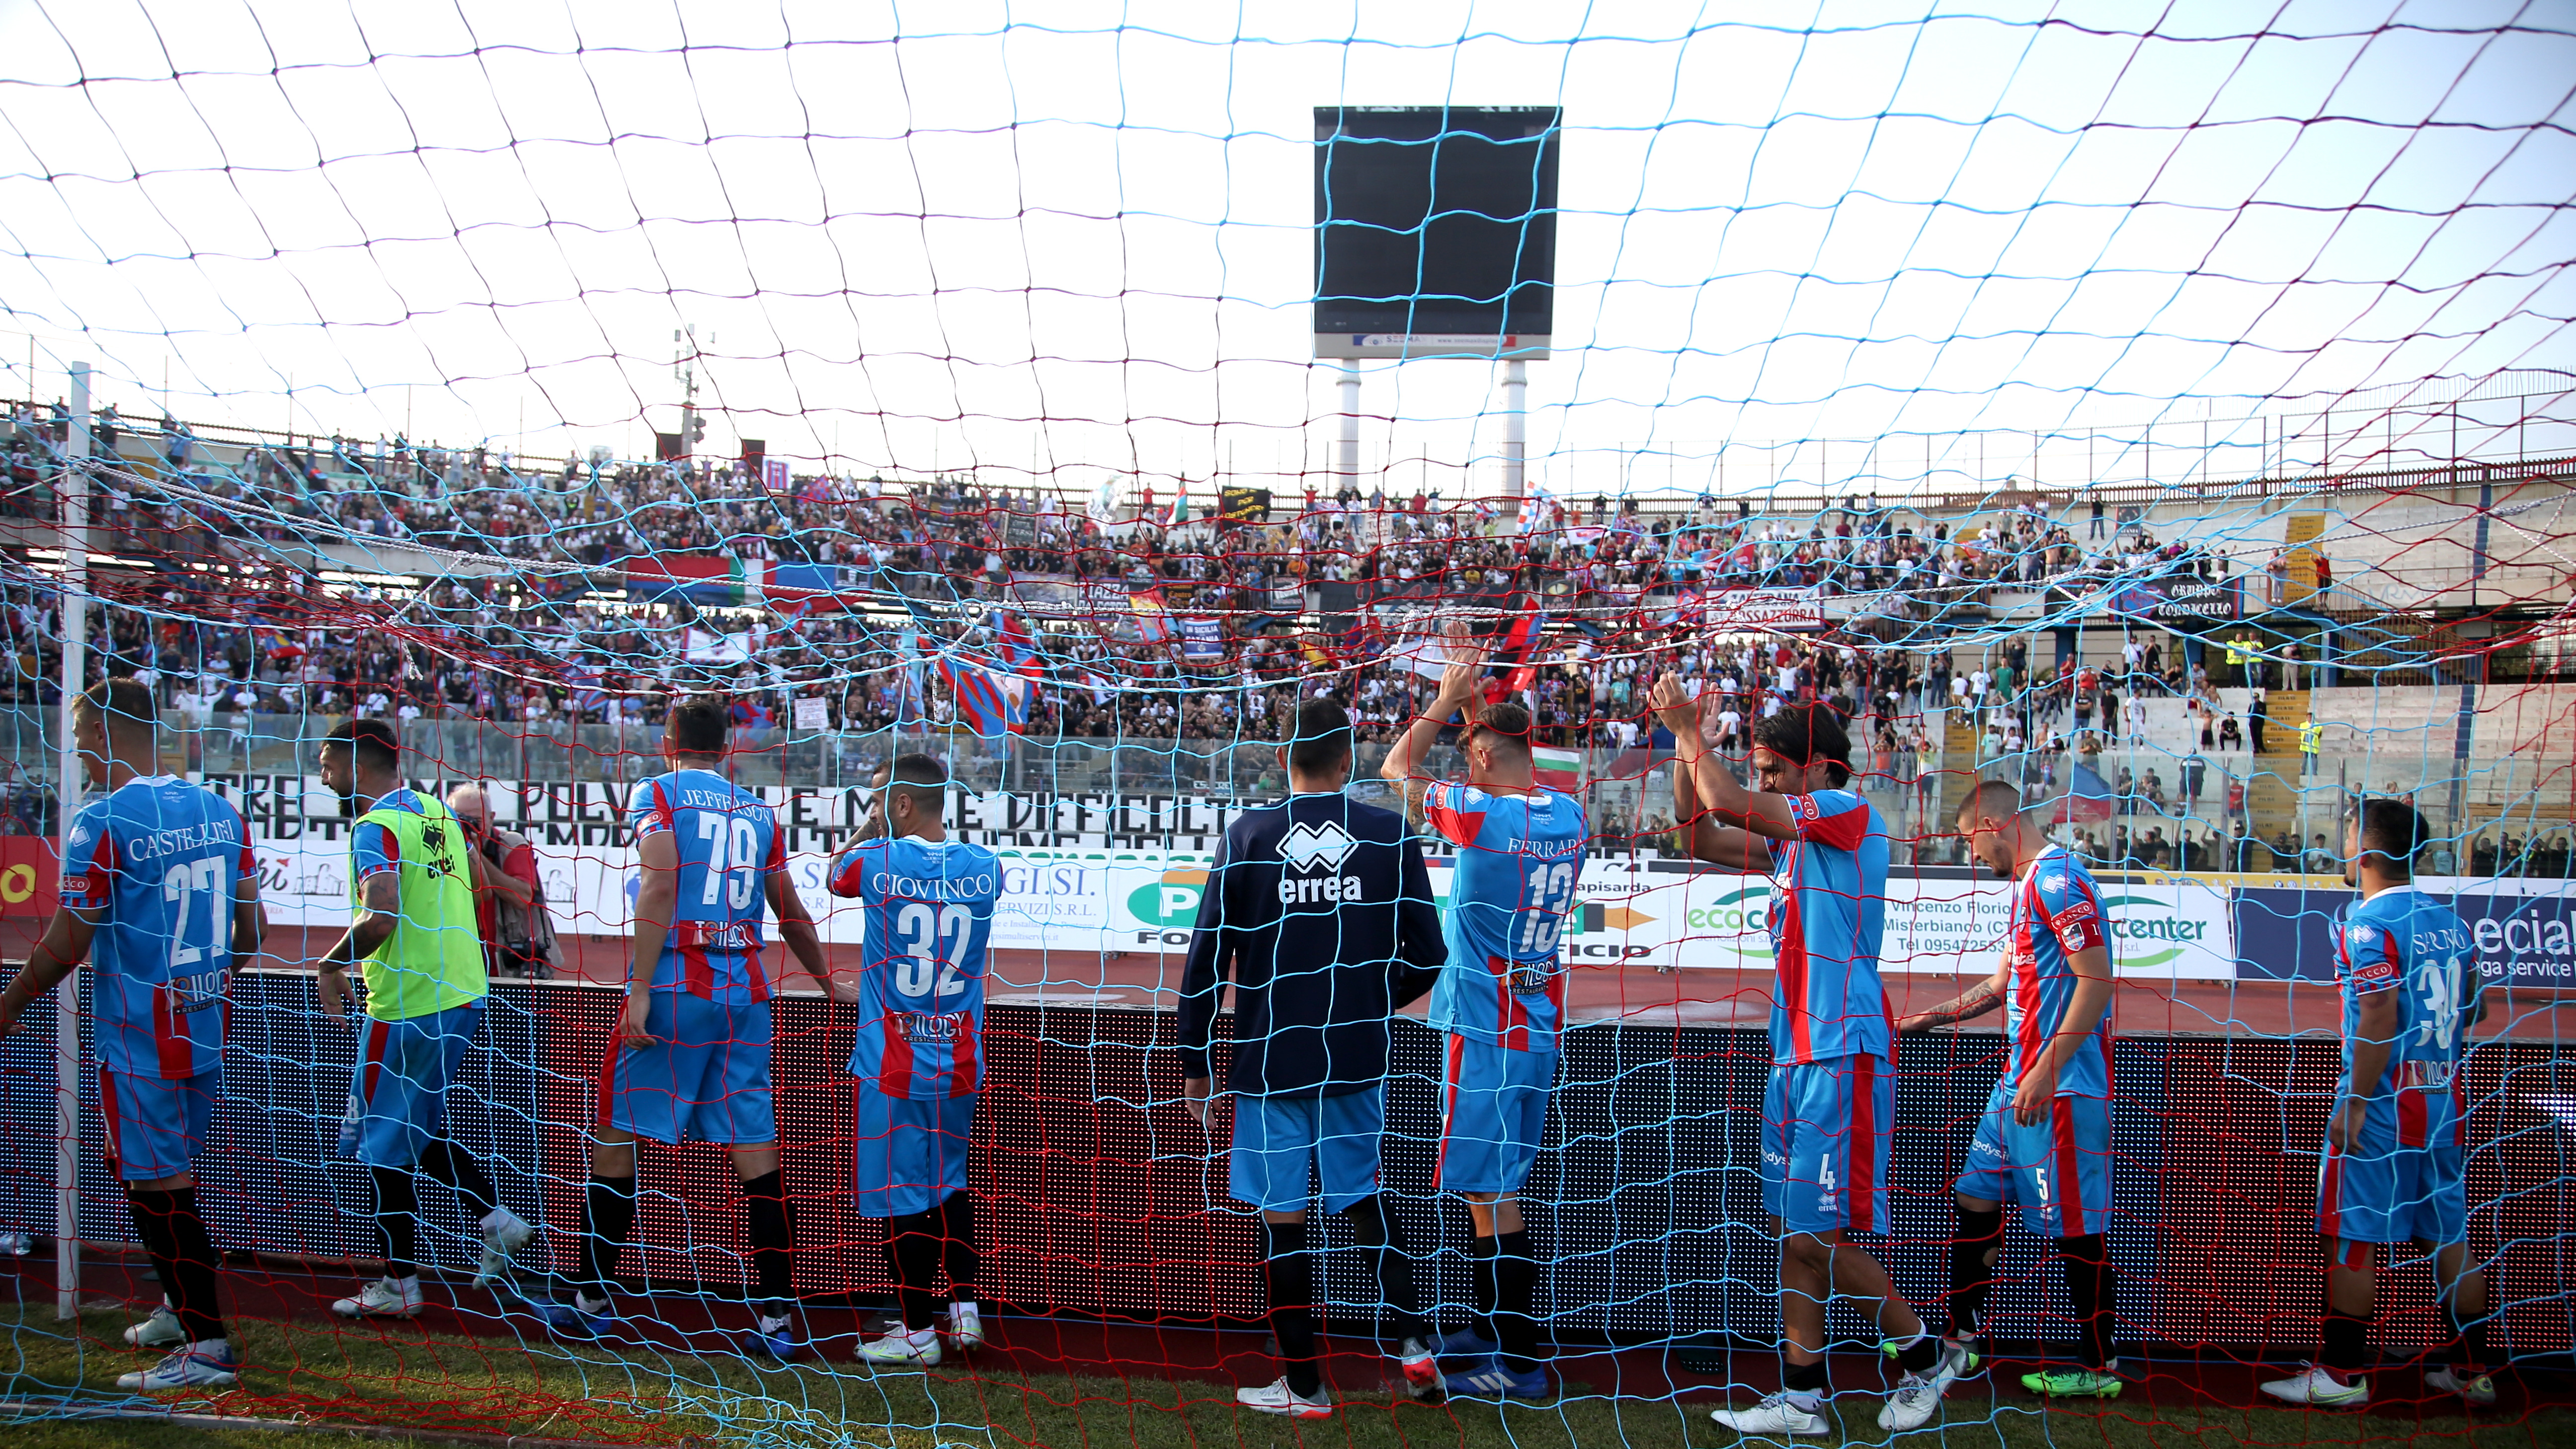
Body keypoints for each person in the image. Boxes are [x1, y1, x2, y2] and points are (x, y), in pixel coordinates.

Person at [1650, 674, 1939, 1435]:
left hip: (1842, 1050)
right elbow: (1703, 833)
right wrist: (1690, 750)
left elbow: (1738, 805)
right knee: (1794, 1233)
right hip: (1795, 1055)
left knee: (1817, 1236)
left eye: (1774, 767)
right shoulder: (1794, 843)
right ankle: (1803, 1400)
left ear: (1816, 767)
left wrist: (1689, 735)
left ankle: (1925, 1357)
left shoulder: (1847, 811)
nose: (1763, 778)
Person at [533, 695, 833, 1357]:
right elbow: (788, 909)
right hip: (746, 991)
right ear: (726, 747)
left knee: (616, 1138)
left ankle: (590, 1299)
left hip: (678, 982)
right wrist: (825, 982)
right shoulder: (758, 811)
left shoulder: (656, 792)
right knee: (755, 1153)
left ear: (668, 741)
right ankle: (778, 1321)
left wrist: (638, 990)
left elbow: (661, 884)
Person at [1179, 701, 1449, 1417]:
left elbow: (1208, 961)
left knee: (1283, 1218)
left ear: (1281, 760)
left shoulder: (1248, 834)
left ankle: (1304, 1387)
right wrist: (1369, 1001)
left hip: (1271, 1062)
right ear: (1348, 763)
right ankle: (1416, 1343)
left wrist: (1195, 1062)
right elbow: (1430, 956)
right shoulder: (1389, 833)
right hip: (1354, 1057)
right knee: (1362, 1198)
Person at [0, 679, 264, 1389]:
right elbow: (252, 931)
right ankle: (181, 1311)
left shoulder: (102, 821)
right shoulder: (220, 809)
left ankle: (207, 1347)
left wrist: (11, 1001)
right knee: (163, 1176)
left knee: (158, 1185)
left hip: (140, 1037)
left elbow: (65, 942)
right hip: (205, 1027)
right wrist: (202, 981)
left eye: (80, 731)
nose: (77, 747)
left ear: (98, 731)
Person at [1380, 626, 1587, 1400]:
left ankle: (1521, 1361)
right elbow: (1484, 761)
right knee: (1491, 1186)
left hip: (1483, 1024)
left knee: (1492, 1191)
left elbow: (1396, 766)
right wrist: (1472, 704)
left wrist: (1440, 701)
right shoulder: (1567, 815)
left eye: (1470, 750)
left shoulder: (1481, 818)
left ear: (1481, 759)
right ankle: (1491, 1324)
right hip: (1535, 1021)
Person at [1894, 782, 2121, 1417]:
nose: (1974, 855)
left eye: (1971, 840)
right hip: (2016, 1080)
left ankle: (2100, 1364)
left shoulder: (2057, 881)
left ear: (1993, 824)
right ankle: (1962, 1338)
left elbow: (2097, 980)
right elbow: (2002, 985)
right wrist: (1926, 1021)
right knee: (1975, 1195)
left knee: (2075, 1227)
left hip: (2061, 1086)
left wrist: (2047, 1071)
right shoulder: (2028, 888)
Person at [2263, 800, 2494, 1408]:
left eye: (2345, 836)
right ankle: (2473, 1371)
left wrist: (2357, 1102)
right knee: (2449, 1239)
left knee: (2351, 1234)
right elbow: (2477, 1009)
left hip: (2386, 1107)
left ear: (2364, 851)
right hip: (2444, 1102)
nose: (2341, 848)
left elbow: (2380, 1012)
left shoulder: (2366, 925)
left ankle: (2341, 1377)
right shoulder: (2452, 922)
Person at [316, 718, 533, 1319]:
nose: (323, 773)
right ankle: (498, 1221)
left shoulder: (376, 826)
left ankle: (401, 1285)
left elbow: (382, 916)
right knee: (408, 1127)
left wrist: (331, 967)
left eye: (328, 762)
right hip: (459, 993)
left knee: (380, 1143)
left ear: (359, 764)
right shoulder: (434, 812)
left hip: (410, 1004)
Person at [826, 755, 1002, 1368]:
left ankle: (915, 1330)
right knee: (949, 1182)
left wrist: (869, 826)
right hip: (957, 1059)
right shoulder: (987, 868)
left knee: (903, 1193)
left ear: (899, 805)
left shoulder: (873, 863)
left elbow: (833, 874)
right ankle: (964, 1310)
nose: (873, 810)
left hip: (891, 1063)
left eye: (879, 800)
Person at [447, 784, 558, 979]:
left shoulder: (511, 845)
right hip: (462, 963)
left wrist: (474, 853)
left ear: (491, 818)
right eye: (460, 820)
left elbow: (523, 897)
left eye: (476, 820)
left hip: (510, 963)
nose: (469, 826)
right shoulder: (445, 848)